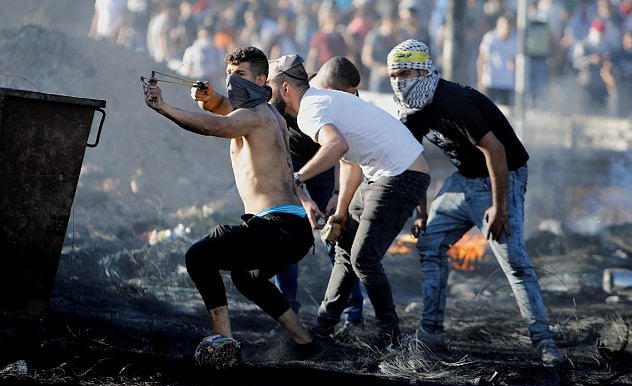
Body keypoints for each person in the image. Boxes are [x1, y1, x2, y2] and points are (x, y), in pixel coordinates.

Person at [386, 39, 565, 367]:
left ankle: (544, 342)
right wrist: (422, 212)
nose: (399, 81)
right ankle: (430, 333)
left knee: (513, 260)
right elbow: (413, 159)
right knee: (430, 242)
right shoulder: (410, 111)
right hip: (463, 179)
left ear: (424, 69)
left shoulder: (453, 100)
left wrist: (500, 208)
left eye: (406, 72)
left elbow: (495, 151)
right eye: (393, 75)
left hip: (502, 176)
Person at [142, 46, 319, 368]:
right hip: (293, 230)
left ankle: (223, 343)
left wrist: (163, 107)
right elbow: (222, 109)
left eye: (240, 75)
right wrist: (208, 99)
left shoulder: (253, 117)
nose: (231, 81)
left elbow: (215, 126)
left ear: (261, 79)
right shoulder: (270, 114)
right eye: (228, 75)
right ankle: (305, 342)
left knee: (198, 256)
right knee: (246, 278)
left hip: (277, 225)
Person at [267, 53, 431, 350]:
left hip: (400, 175)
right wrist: (341, 211)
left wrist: (299, 178)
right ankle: (322, 327)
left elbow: (336, 145)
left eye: (271, 87)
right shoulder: (323, 100)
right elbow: (349, 159)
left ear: (286, 88)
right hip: (380, 174)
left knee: (364, 258)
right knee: (344, 250)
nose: (269, 93)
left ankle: (390, 336)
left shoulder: (309, 110)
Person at [272, 56, 367, 335]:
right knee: (285, 233)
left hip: (330, 165)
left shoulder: (345, 93)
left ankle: (353, 317)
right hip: (292, 165)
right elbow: (279, 158)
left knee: (338, 236)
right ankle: (287, 315)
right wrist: (301, 197)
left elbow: (348, 151)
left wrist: (340, 194)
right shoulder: (281, 98)